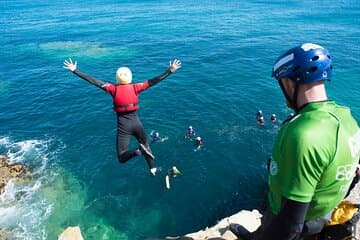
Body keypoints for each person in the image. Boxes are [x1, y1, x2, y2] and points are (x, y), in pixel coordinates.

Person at [230, 43, 360, 239]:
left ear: (290, 83)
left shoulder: (303, 133)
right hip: (323, 211)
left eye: (281, 83)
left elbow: (291, 225)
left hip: (293, 221)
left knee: (272, 228)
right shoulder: (347, 118)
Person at [63, 58, 181, 176]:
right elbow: (154, 80)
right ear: (130, 78)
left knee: (122, 157)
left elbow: (94, 81)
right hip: (137, 124)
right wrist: (169, 71)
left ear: (116, 78)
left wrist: (75, 70)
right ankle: (152, 168)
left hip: (124, 126)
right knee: (146, 145)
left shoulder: (113, 89)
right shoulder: (137, 87)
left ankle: (137, 151)